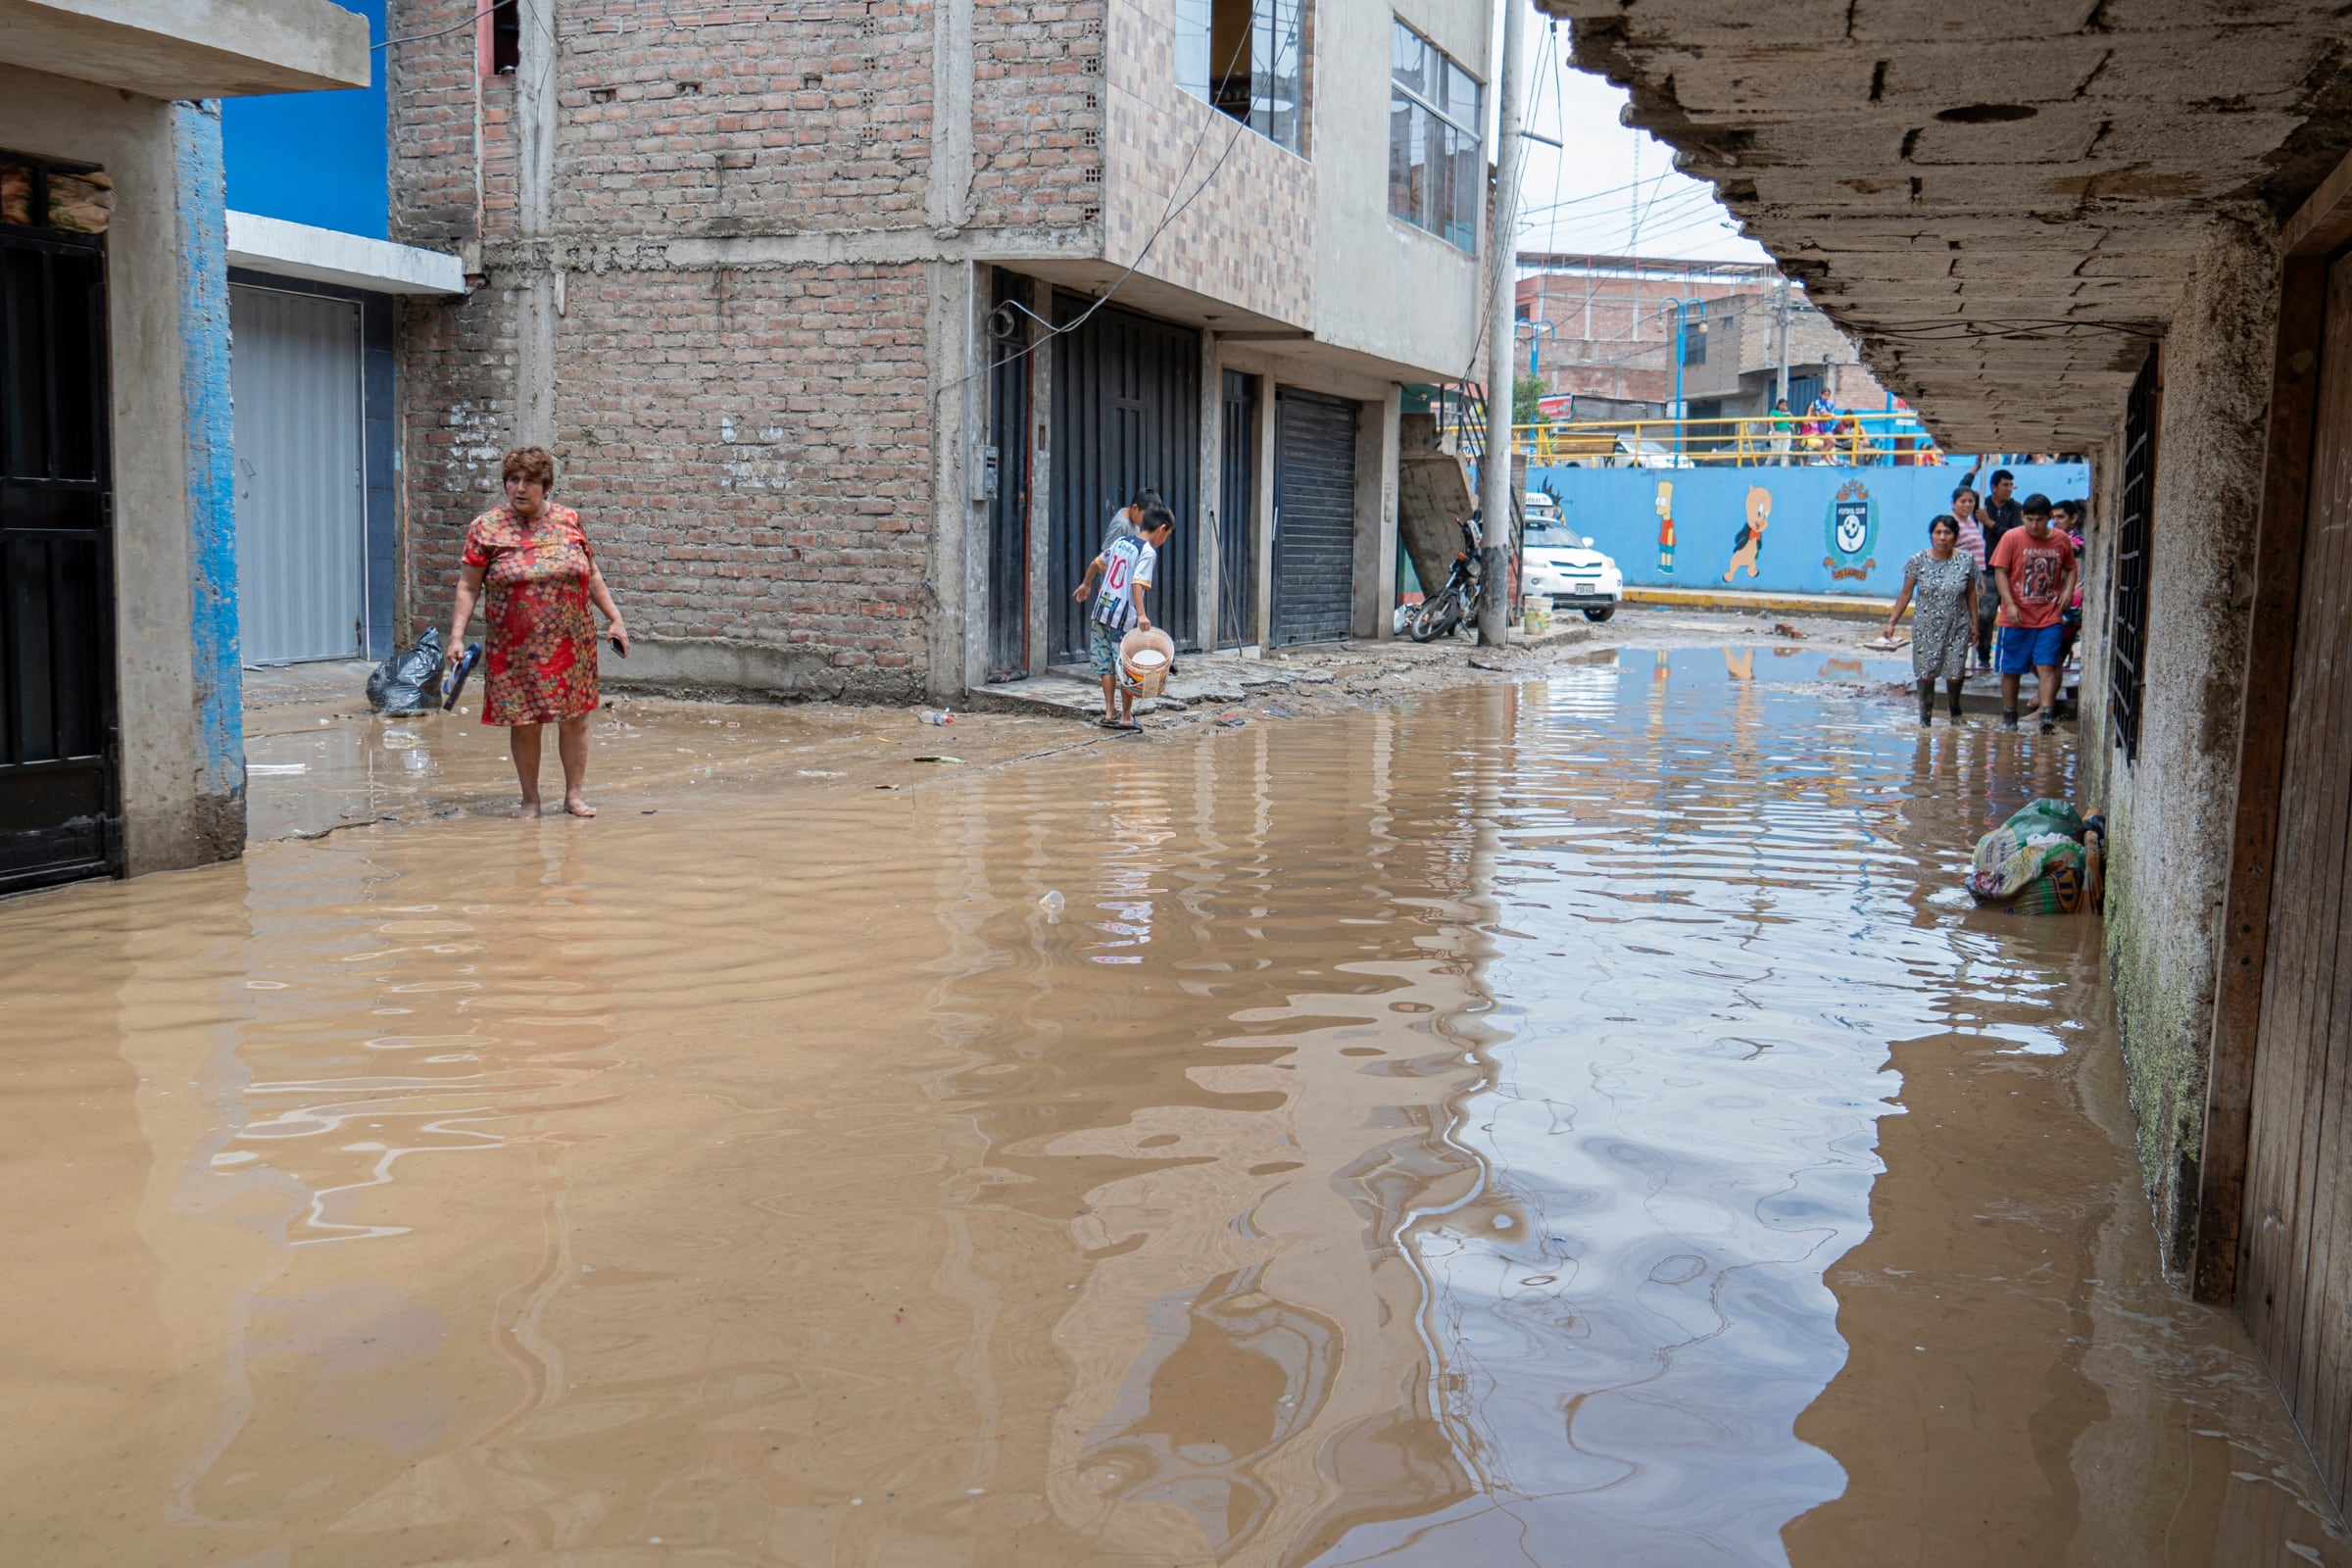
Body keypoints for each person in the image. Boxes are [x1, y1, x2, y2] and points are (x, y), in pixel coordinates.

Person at [446, 446, 629, 818]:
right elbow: (468, 587)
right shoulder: (486, 528)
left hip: (570, 643)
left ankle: (573, 796)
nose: (520, 488)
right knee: (525, 721)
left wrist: (614, 617)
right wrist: (456, 637)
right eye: (513, 480)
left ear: (546, 486)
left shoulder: (568, 520)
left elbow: (591, 574)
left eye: (530, 481)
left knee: (574, 719)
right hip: (515, 647)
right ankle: (531, 800)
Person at [1989, 493, 2079, 733]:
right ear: (2022, 517)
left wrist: (2068, 590)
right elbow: (2000, 572)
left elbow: (2071, 568)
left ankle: (2047, 715)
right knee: (2011, 668)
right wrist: (2009, 604)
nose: (2034, 525)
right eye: (2029, 519)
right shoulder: (2011, 538)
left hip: (2049, 615)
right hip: (2016, 616)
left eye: (2039, 520)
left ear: (2048, 518)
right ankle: (2009, 715)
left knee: (2047, 665)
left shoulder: (2061, 540)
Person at [1884, 514, 1980, 725]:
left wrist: (1975, 623)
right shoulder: (1917, 561)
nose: (1943, 537)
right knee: (1926, 672)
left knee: (1955, 672)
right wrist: (1892, 622)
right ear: (1931, 536)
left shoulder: (1966, 561)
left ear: (1955, 536)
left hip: (1958, 625)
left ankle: (1955, 711)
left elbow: (1971, 594)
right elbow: (1905, 593)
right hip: (1926, 627)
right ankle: (1925, 719)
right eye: (1938, 533)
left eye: (1947, 533)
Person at [1088, 502, 1175, 730]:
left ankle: (1109, 712)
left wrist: (1086, 585)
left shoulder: (1121, 542)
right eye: (1167, 536)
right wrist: (1142, 615)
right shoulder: (1147, 551)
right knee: (1127, 667)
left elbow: (1096, 563)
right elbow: (1137, 584)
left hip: (1101, 610)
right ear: (1162, 529)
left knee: (1106, 664)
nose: (1164, 541)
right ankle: (1126, 716)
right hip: (1121, 617)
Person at [1073, 487, 1162, 605]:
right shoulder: (1121, 525)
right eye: (1145, 517)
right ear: (1134, 508)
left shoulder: (1132, 518)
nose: (1147, 522)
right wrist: (1113, 587)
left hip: (1122, 588)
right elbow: (1104, 557)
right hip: (1112, 589)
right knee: (1105, 618)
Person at [2052, 498, 2089, 669]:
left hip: (2070, 604)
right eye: (2054, 517)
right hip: (2064, 602)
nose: (2055, 521)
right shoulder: (2063, 539)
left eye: (2060, 517)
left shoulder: (2072, 542)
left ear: (2073, 518)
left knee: (2055, 657)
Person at [1769, 398, 1793, 466]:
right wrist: (1774, 434)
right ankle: (1766, 465)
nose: (1784, 406)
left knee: (1785, 452)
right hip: (1777, 432)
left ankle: (1783, 468)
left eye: (1785, 405)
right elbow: (1771, 424)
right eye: (1782, 405)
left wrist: (1790, 414)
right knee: (1776, 453)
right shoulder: (1774, 412)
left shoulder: (1786, 413)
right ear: (1778, 405)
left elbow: (1793, 421)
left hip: (1787, 433)